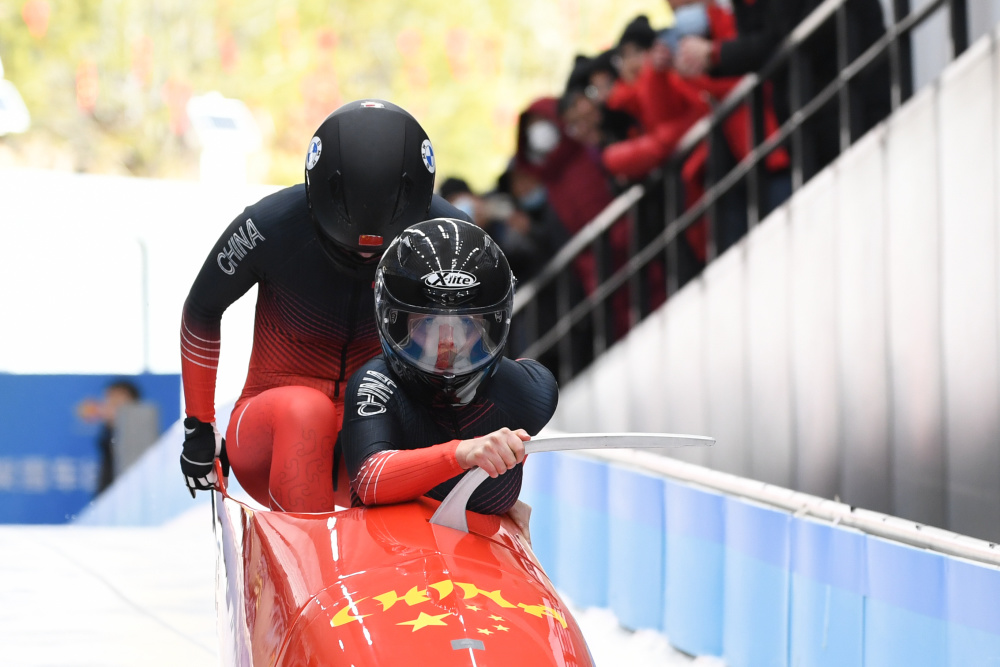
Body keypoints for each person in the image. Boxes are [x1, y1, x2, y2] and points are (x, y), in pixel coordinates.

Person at [179, 99, 470, 512]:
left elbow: (491, 337)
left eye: (380, 251)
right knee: (306, 409)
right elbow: (201, 312)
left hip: (374, 428)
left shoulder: (452, 236)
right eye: (345, 246)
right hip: (275, 429)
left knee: (437, 421)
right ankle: (308, 552)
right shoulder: (269, 224)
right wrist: (199, 426)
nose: (364, 259)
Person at [339, 218, 558, 529]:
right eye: (428, 324)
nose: (447, 343)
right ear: (397, 323)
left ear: (494, 325)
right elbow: (370, 479)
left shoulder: (532, 391)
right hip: (396, 563)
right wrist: (462, 453)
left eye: (466, 324)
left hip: (482, 563)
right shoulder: (376, 383)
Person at [78, 379, 141, 495]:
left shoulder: (141, 432)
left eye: (116, 403)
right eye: (109, 400)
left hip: (128, 494)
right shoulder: (108, 431)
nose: (109, 406)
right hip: (107, 494)